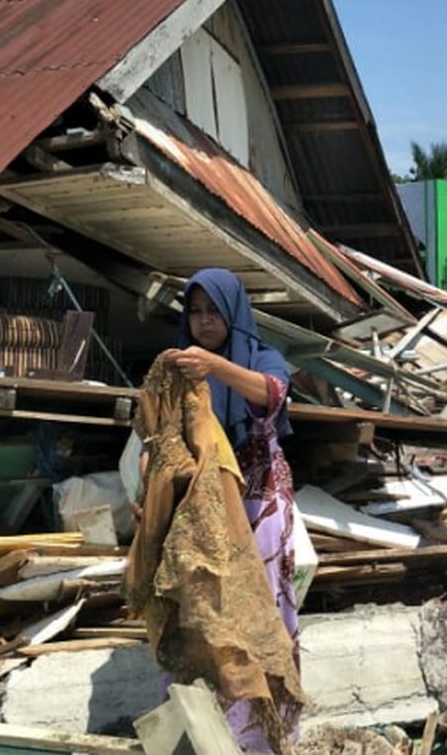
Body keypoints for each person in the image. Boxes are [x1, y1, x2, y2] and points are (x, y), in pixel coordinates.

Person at [165, 268, 301, 750]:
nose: (203, 322)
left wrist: (215, 367)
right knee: (206, 620)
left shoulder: (262, 358)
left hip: (257, 507)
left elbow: (272, 393)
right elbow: (155, 437)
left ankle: (266, 736)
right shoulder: (178, 373)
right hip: (203, 516)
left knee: (261, 617)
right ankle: (211, 733)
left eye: (213, 312)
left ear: (233, 313)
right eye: (195, 312)